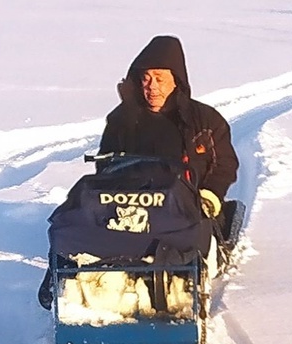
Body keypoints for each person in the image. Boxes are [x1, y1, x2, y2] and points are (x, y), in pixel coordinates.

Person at [99, 35, 237, 223]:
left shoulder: (205, 120)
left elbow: (224, 164)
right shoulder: (122, 119)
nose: (152, 87)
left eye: (159, 79)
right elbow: (106, 163)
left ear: (176, 80)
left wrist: (210, 195)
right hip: (133, 207)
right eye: (146, 79)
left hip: (191, 205)